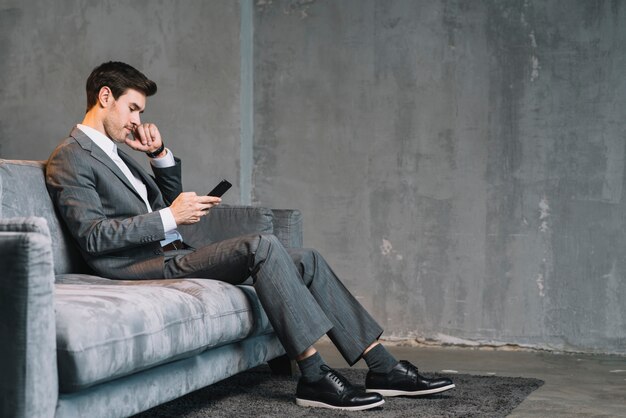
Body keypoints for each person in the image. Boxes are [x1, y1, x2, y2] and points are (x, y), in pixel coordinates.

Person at [46, 61, 455, 411]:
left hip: (171, 251)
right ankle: (313, 374)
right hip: (132, 267)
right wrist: (169, 217)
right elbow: (94, 237)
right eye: (132, 108)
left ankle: (382, 366)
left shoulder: (118, 154)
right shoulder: (71, 156)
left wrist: (158, 156)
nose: (138, 119)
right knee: (261, 245)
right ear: (104, 97)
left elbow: (168, 211)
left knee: (306, 259)